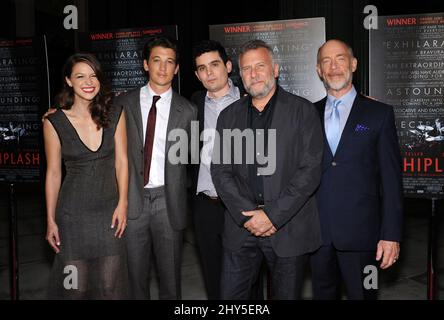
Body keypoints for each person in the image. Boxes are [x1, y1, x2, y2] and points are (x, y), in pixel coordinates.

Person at [211, 39, 323, 300]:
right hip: (241, 229)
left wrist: (272, 215)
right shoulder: (228, 116)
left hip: (287, 228)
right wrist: (250, 218)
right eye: (247, 69)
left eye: (260, 66)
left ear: (275, 69)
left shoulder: (302, 111)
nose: (253, 74)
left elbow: (310, 171)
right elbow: (221, 171)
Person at [310, 39, 403, 300]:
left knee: (366, 295)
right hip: (318, 237)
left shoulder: (379, 114)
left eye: (340, 58)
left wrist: (391, 235)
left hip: (365, 238)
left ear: (353, 64)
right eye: (326, 61)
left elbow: (391, 180)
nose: (333, 66)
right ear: (318, 70)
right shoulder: (307, 114)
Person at [114, 36, 197, 300]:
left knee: (171, 282)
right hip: (132, 201)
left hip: (168, 203)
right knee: (134, 281)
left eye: (169, 62)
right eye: (157, 60)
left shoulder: (189, 110)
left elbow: (195, 157)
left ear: (177, 69)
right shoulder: (122, 103)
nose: (163, 68)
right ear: (145, 64)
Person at [44, 53, 129, 299]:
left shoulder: (115, 114)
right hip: (71, 218)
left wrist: (122, 203)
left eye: (93, 75)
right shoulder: (54, 122)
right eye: (80, 76)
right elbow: (53, 173)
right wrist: (50, 219)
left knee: (110, 287)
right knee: (76, 289)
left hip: (109, 215)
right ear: (69, 81)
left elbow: (122, 162)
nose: (88, 81)